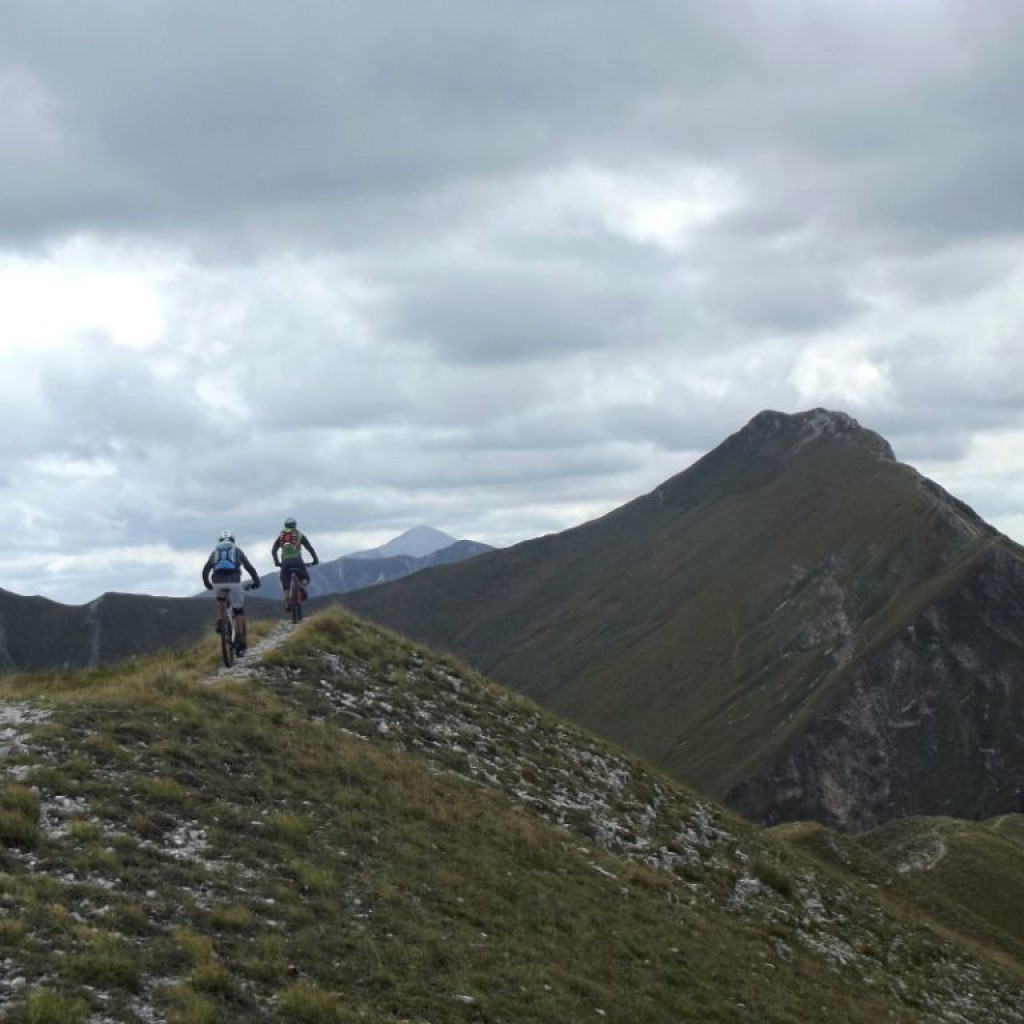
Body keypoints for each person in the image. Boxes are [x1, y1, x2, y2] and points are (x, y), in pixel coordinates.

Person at [202, 531, 261, 654]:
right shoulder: (237, 551)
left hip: (217, 582)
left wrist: (207, 583)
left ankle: (219, 622)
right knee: (238, 610)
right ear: (233, 541)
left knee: (220, 600)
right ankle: (240, 636)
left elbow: (206, 569)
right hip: (234, 582)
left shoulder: (215, 552)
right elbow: (249, 567)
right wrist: (256, 581)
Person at [271, 515, 319, 611]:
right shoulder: (299, 534)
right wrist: (315, 560)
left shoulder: (281, 536)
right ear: (295, 525)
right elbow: (309, 548)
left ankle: (287, 601)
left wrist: (277, 562)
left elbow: (273, 550)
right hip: (297, 560)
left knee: (285, 582)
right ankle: (301, 587)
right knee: (306, 578)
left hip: (285, 562)